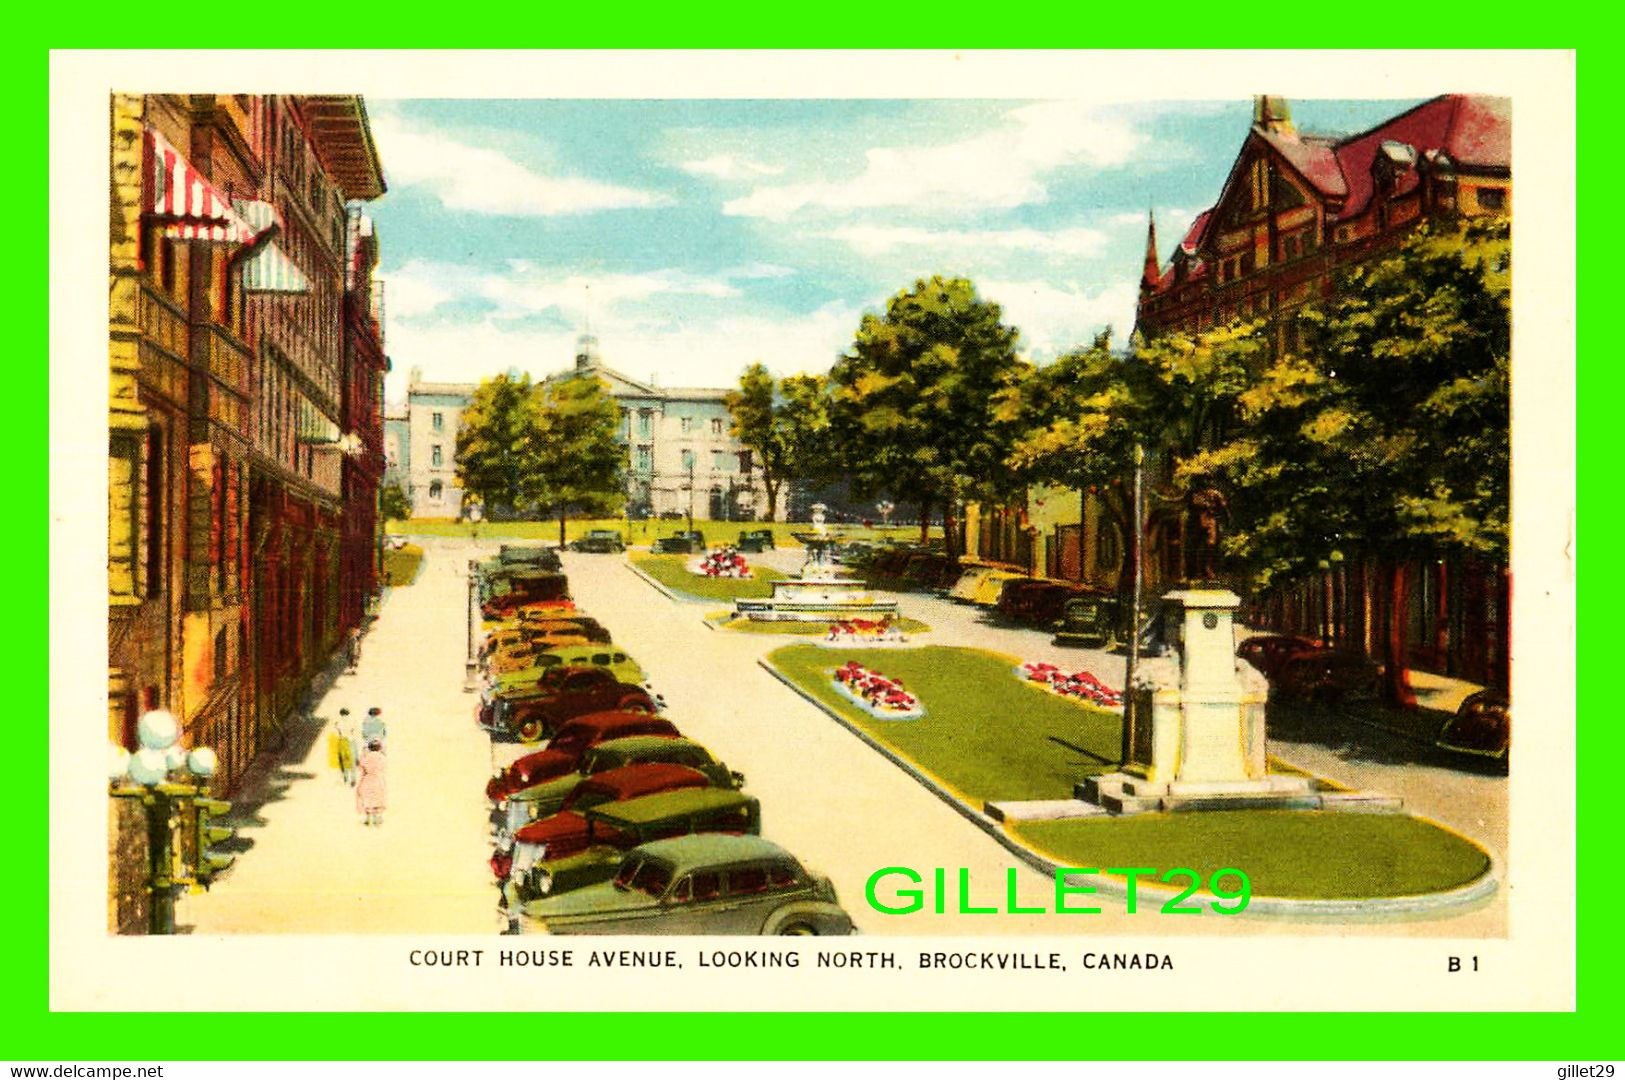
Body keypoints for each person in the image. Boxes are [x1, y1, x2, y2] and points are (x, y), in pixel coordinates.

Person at [356, 739, 387, 826]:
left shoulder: (366, 757)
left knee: (368, 799)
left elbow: (360, 766)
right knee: (378, 799)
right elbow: (384, 767)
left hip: (368, 779)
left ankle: (368, 819)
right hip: (378, 779)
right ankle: (378, 819)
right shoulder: (382, 757)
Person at [334, 709, 358, 786]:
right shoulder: (352, 722)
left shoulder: (338, 723)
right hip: (351, 740)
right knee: (352, 760)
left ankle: (346, 777)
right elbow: (354, 731)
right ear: (348, 714)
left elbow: (337, 732)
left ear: (341, 714)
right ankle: (353, 778)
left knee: (344, 761)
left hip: (342, 741)